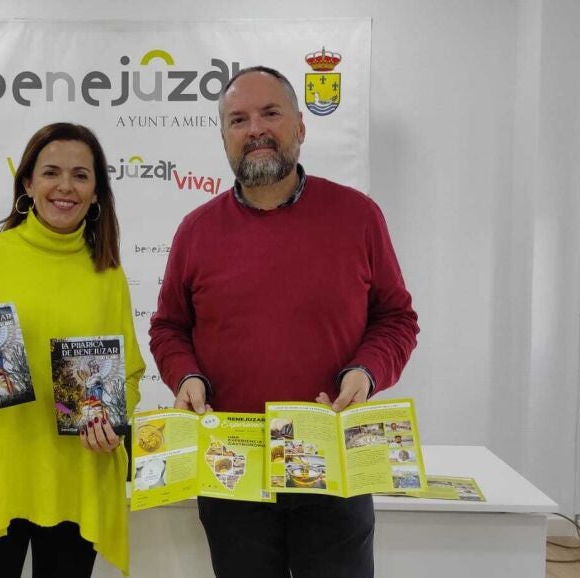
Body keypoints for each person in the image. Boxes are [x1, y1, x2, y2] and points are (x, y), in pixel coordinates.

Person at [149, 66, 419, 578]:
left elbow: (395, 318)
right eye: (238, 120)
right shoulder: (196, 230)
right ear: (224, 138)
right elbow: (168, 328)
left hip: (333, 461)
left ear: (300, 126)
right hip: (233, 466)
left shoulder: (358, 216)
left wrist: (365, 371)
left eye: (270, 113)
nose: (255, 129)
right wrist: (186, 377)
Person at [0, 123, 145, 577]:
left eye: (80, 175)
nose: (65, 187)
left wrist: (113, 425)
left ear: (97, 193)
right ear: (27, 183)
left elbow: (127, 376)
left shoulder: (107, 273)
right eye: (51, 172)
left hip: (73, 476)